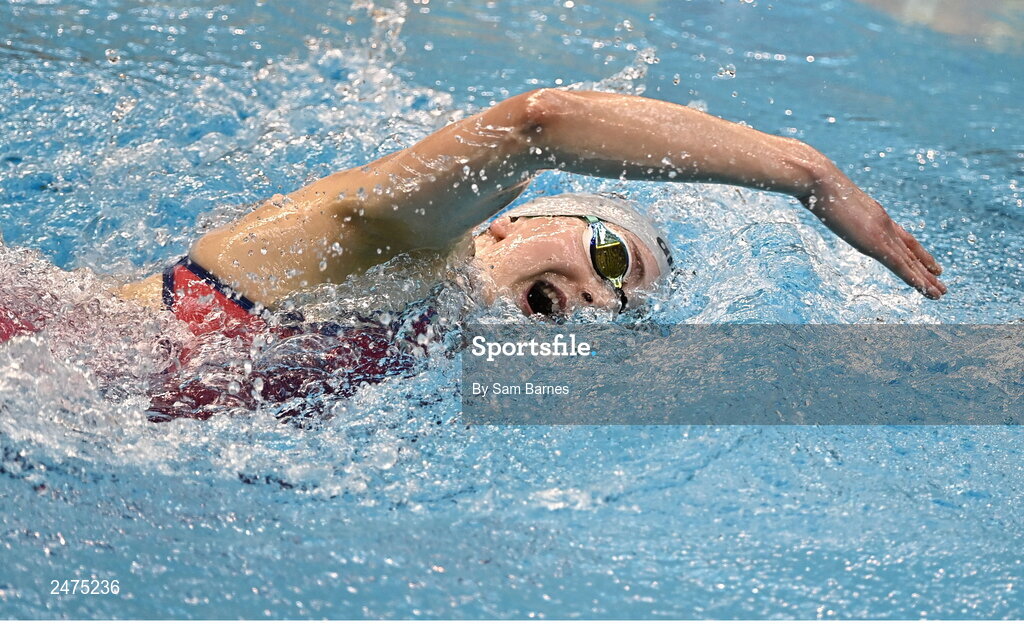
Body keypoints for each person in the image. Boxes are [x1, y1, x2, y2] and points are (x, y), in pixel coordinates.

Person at [2, 89, 946, 420]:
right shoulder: (400, 239)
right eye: (612, 260)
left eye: (629, 306)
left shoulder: (419, 349)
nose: (605, 302)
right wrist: (807, 174)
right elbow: (539, 125)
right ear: (504, 222)